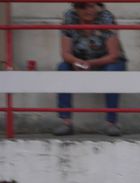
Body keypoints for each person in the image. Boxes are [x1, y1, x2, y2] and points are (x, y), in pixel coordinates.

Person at [54, 2, 127, 137]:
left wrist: (90, 63)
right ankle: (66, 122)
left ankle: (112, 123)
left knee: (112, 70)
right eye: (82, 6)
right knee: (62, 68)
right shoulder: (70, 17)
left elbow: (113, 55)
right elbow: (65, 53)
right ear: (75, 8)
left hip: (106, 61)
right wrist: (77, 62)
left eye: (92, 6)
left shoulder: (106, 17)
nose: (88, 10)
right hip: (81, 60)